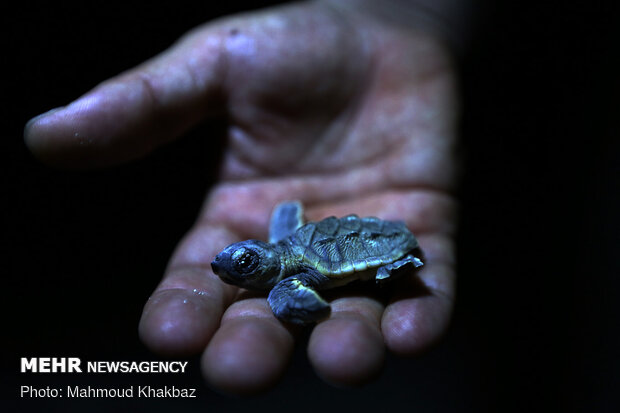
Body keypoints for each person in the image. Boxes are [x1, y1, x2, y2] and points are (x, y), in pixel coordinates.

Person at [24, 0, 462, 395]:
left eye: (245, 263)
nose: (228, 269)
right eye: (235, 267)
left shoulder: (287, 278)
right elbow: (286, 219)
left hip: (371, 244)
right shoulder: (281, 255)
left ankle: (402, 261)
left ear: (270, 260)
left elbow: (293, 243)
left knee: (385, 279)